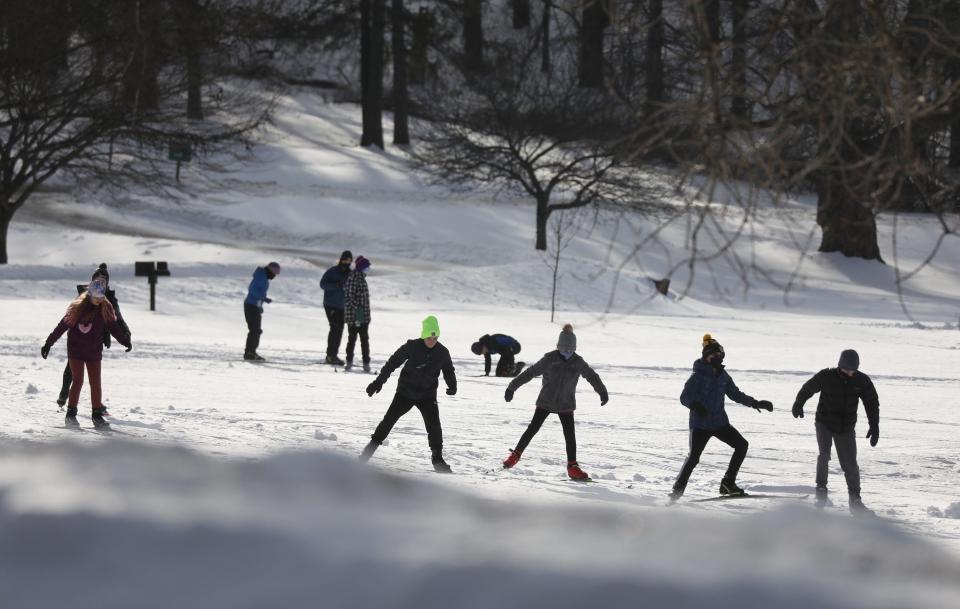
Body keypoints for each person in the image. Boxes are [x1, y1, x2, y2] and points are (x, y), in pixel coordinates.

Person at [669, 334, 773, 499]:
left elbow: (735, 394)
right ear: (707, 356)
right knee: (694, 458)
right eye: (714, 355)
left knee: (741, 445)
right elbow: (684, 397)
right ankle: (677, 491)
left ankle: (728, 483)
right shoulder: (697, 376)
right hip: (700, 425)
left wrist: (755, 403)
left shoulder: (723, 376)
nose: (718, 358)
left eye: (720, 355)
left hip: (719, 423)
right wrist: (695, 405)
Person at [501, 324, 608, 481]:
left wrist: (602, 391)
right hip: (546, 401)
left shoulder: (578, 362)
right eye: (564, 350)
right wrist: (512, 387)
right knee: (532, 429)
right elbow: (530, 372)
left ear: (574, 349)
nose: (567, 353)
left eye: (570, 350)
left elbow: (592, 376)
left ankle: (573, 467)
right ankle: (514, 456)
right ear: (558, 347)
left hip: (566, 403)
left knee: (569, 435)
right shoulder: (550, 358)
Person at [360, 315, 457, 473]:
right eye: (429, 337)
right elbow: (392, 363)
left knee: (434, 426)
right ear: (423, 335)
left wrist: (452, 385)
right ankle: (368, 452)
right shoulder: (412, 346)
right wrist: (379, 382)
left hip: (427, 395)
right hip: (405, 392)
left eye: (435, 337)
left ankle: (437, 459)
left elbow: (448, 370)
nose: (432, 340)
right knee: (388, 421)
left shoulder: (442, 352)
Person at [792, 349, 880, 513]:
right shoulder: (827, 376)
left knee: (850, 464)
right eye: (847, 369)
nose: (850, 372)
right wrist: (799, 403)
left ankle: (855, 499)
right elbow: (808, 388)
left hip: (846, 427)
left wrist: (874, 425)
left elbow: (872, 402)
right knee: (824, 454)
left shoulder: (862, 380)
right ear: (840, 366)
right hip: (824, 422)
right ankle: (821, 490)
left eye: (853, 369)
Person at [41, 278, 132, 428]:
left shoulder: (105, 308)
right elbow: (61, 327)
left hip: (94, 351)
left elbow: (113, 327)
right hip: (75, 350)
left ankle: (96, 414)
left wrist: (125, 341)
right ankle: (71, 413)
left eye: (101, 296)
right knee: (78, 380)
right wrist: (48, 344)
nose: (99, 299)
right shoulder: (77, 309)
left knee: (96, 383)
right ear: (89, 294)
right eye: (96, 296)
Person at [57, 263, 131, 411]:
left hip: (96, 338)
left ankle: (97, 405)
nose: (101, 282)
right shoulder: (86, 293)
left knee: (94, 379)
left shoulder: (108, 297)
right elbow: (72, 314)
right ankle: (64, 393)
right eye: (99, 278)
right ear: (93, 280)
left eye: (105, 279)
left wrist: (126, 334)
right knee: (72, 371)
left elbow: (117, 318)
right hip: (78, 340)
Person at [320, 250, 352, 365]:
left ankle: (333, 355)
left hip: (342, 306)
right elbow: (322, 284)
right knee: (335, 328)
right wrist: (336, 285)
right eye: (345, 260)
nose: (346, 262)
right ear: (341, 259)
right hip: (331, 305)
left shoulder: (350, 274)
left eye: (348, 260)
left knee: (339, 330)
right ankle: (330, 356)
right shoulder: (332, 271)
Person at [243, 262, 281, 361]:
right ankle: (250, 353)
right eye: (275, 274)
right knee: (255, 330)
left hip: (254, 306)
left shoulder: (263, 277)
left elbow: (257, 293)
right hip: (251, 305)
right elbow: (252, 289)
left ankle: (251, 352)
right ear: (270, 271)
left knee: (256, 330)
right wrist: (263, 298)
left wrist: (260, 305)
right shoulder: (261, 277)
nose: (274, 276)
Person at [344, 255, 372, 372]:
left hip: (362, 315)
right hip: (356, 315)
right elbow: (349, 297)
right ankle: (349, 362)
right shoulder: (354, 278)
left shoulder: (361, 277)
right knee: (353, 339)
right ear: (362, 267)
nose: (369, 269)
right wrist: (358, 310)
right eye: (367, 267)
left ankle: (366, 363)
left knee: (364, 340)